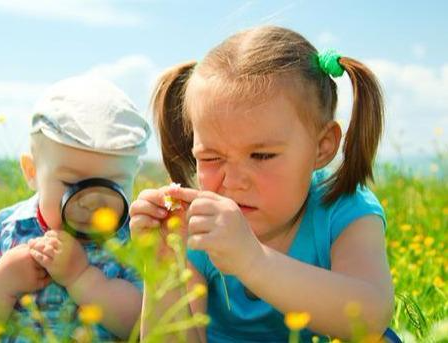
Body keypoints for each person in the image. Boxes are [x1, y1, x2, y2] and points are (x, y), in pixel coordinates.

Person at [130, 25, 395, 342]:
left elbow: (370, 320)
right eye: (211, 157)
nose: (234, 182)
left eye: (262, 155)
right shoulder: (197, 227)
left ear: (322, 147)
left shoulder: (344, 209)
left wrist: (252, 261)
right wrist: (161, 267)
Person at [0, 75, 151, 342]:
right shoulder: (8, 228)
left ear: (135, 174)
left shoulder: (134, 238)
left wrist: (84, 279)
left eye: (113, 184)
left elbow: (147, 328)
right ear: (31, 172)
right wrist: (1, 282)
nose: (91, 200)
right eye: (72, 183)